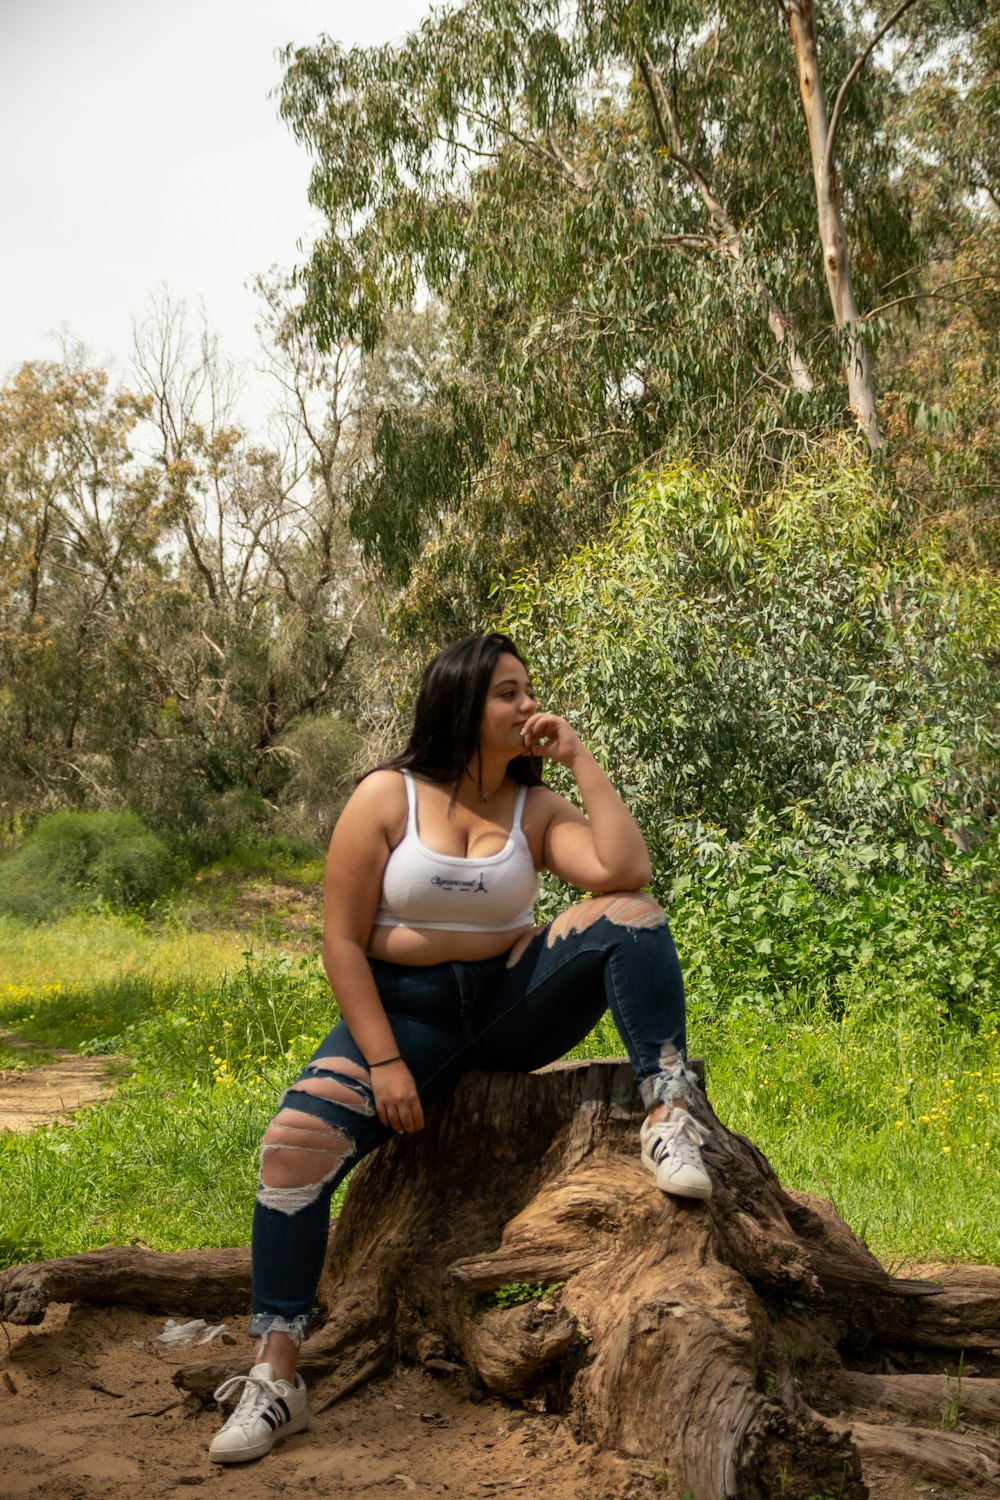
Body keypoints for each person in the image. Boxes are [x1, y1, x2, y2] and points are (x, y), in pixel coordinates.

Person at [209, 632, 711, 1465]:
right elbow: (340, 941)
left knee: (634, 916)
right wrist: (384, 1062)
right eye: (508, 693)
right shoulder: (385, 796)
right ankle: (277, 1377)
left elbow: (624, 868)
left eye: (528, 692)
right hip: (402, 1015)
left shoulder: (533, 805)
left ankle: (668, 1111)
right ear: (462, 702)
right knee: (290, 1154)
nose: (527, 706)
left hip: (511, 1002)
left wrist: (581, 757)